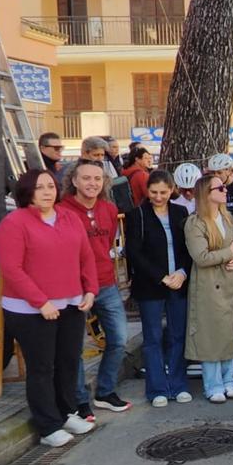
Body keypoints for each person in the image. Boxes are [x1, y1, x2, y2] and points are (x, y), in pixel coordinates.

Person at [0, 169, 97, 447]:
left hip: (71, 304)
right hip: (29, 310)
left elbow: (85, 256)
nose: (47, 192)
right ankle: (48, 425)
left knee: (68, 362)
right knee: (42, 367)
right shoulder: (14, 223)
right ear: (27, 191)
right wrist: (41, 302)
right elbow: (11, 269)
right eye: (40, 187)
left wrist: (90, 289)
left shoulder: (69, 217)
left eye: (51, 186)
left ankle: (66, 412)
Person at [58, 159, 131, 420]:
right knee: (74, 347)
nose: (92, 183)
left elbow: (108, 241)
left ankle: (104, 391)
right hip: (74, 287)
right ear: (74, 181)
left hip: (106, 282)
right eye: (86, 178)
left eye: (97, 179)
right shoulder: (62, 210)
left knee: (119, 339)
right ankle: (79, 400)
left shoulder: (109, 209)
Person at [125, 169, 192, 407]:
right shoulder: (137, 215)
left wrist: (182, 273)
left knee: (177, 335)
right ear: (147, 191)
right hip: (151, 285)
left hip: (179, 281)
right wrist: (161, 276)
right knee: (152, 337)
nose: (159, 197)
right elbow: (134, 252)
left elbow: (187, 247)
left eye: (164, 192)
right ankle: (157, 389)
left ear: (172, 189)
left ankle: (178, 384)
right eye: (154, 192)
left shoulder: (180, 212)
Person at [184, 175, 233, 403]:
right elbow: (200, 256)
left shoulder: (228, 218)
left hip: (230, 281)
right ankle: (213, 385)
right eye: (219, 188)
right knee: (211, 335)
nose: (225, 190)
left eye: (225, 186)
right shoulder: (196, 222)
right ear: (206, 193)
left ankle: (229, 381)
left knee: (230, 333)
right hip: (209, 285)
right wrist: (230, 253)